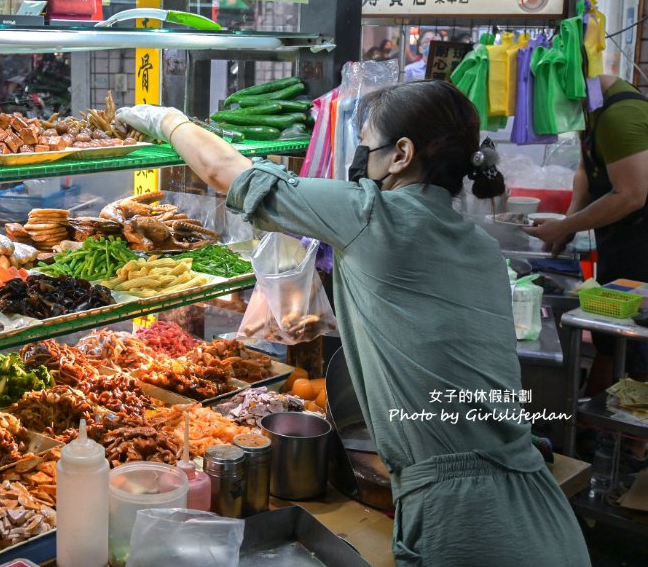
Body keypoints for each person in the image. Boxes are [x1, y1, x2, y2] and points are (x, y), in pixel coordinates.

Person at [115, 81, 590, 566]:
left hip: (465, 522)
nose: (360, 156)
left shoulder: (373, 216)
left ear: (401, 153)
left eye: (366, 143)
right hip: (540, 509)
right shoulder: (482, 249)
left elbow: (225, 171)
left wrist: (168, 120)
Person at [524, 74, 648, 391]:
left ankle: (630, 438)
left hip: (642, 247)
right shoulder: (592, 107)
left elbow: (631, 195)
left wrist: (565, 226)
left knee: (637, 350)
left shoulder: (620, 115)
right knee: (609, 340)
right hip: (621, 242)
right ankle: (594, 428)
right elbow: (585, 168)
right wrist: (569, 223)